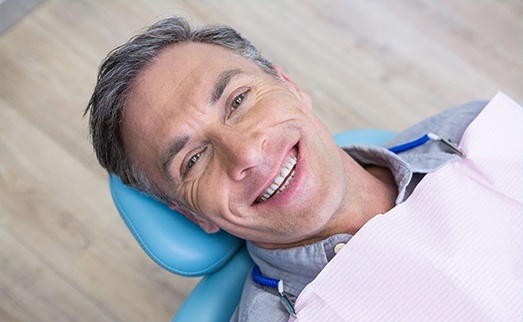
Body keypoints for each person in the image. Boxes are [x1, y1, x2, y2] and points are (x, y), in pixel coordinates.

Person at [85, 16, 494, 321]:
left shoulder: (477, 131)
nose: (246, 153)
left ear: (289, 85)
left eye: (238, 100)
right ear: (193, 214)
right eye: (193, 159)